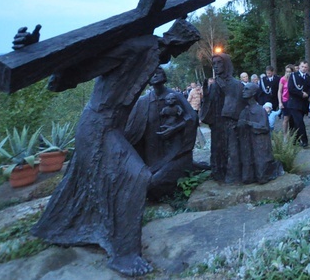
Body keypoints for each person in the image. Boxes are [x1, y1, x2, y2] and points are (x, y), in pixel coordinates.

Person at [31, 19, 200, 276]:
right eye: (185, 47)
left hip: (112, 126)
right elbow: (93, 63)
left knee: (87, 178)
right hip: (99, 125)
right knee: (136, 176)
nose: (181, 53)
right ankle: (123, 253)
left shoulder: (153, 54)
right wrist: (39, 56)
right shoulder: (140, 46)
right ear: (177, 39)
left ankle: (61, 228)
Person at [125, 67, 198, 200]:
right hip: (151, 156)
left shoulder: (175, 97)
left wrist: (175, 128)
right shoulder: (143, 102)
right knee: (141, 182)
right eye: (151, 73)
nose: (155, 75)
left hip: (174, 154)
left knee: (154, 183)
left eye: (158, 72)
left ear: (164, 76)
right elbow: (131, 131)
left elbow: (192, 118)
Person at [201, 53, 246, 183]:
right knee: (217, 148)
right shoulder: (214, 85)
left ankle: (233, 174)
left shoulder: (236, 84)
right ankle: (218, 173)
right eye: (213, 64)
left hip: (230, 123)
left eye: (219, 63)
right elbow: (210, 104)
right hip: (217, 123)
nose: (215, 66)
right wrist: (206, 94)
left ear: (226, 64)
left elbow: (238, 103)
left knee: (231, 149)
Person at [237, 83, 284, 184]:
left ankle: (275, 167)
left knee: (261, 178)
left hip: (259, 145)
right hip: (248, 145)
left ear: (253, 93)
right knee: (247, 179)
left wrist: (249, 124)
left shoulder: (260, 110)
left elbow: (264, 127)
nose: (243, 91)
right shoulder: (244, 111)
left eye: (246, 89)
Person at [286, 60, 310, 147]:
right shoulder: (293, 76)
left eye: (305, 67)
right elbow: (291, 89)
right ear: (299, 67)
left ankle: (294, 139)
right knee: (299, 122)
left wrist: (307, 94)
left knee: (294, 122)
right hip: (294, 103)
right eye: (302, 67)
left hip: (303, 104)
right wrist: (301, 94)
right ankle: (304, 140)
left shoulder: (308, 77)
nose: (304, 69)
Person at [277, 65, 294, 136]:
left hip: (293, 100)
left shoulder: (294, 79)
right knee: (286, 118)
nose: (288, 73)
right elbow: (279, 91)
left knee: (293, 119)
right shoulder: (282, 79)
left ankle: (293, 134)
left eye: (290, 72)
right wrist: (280, 102)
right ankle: (285, 135)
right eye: (287, 71)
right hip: (285, 100)